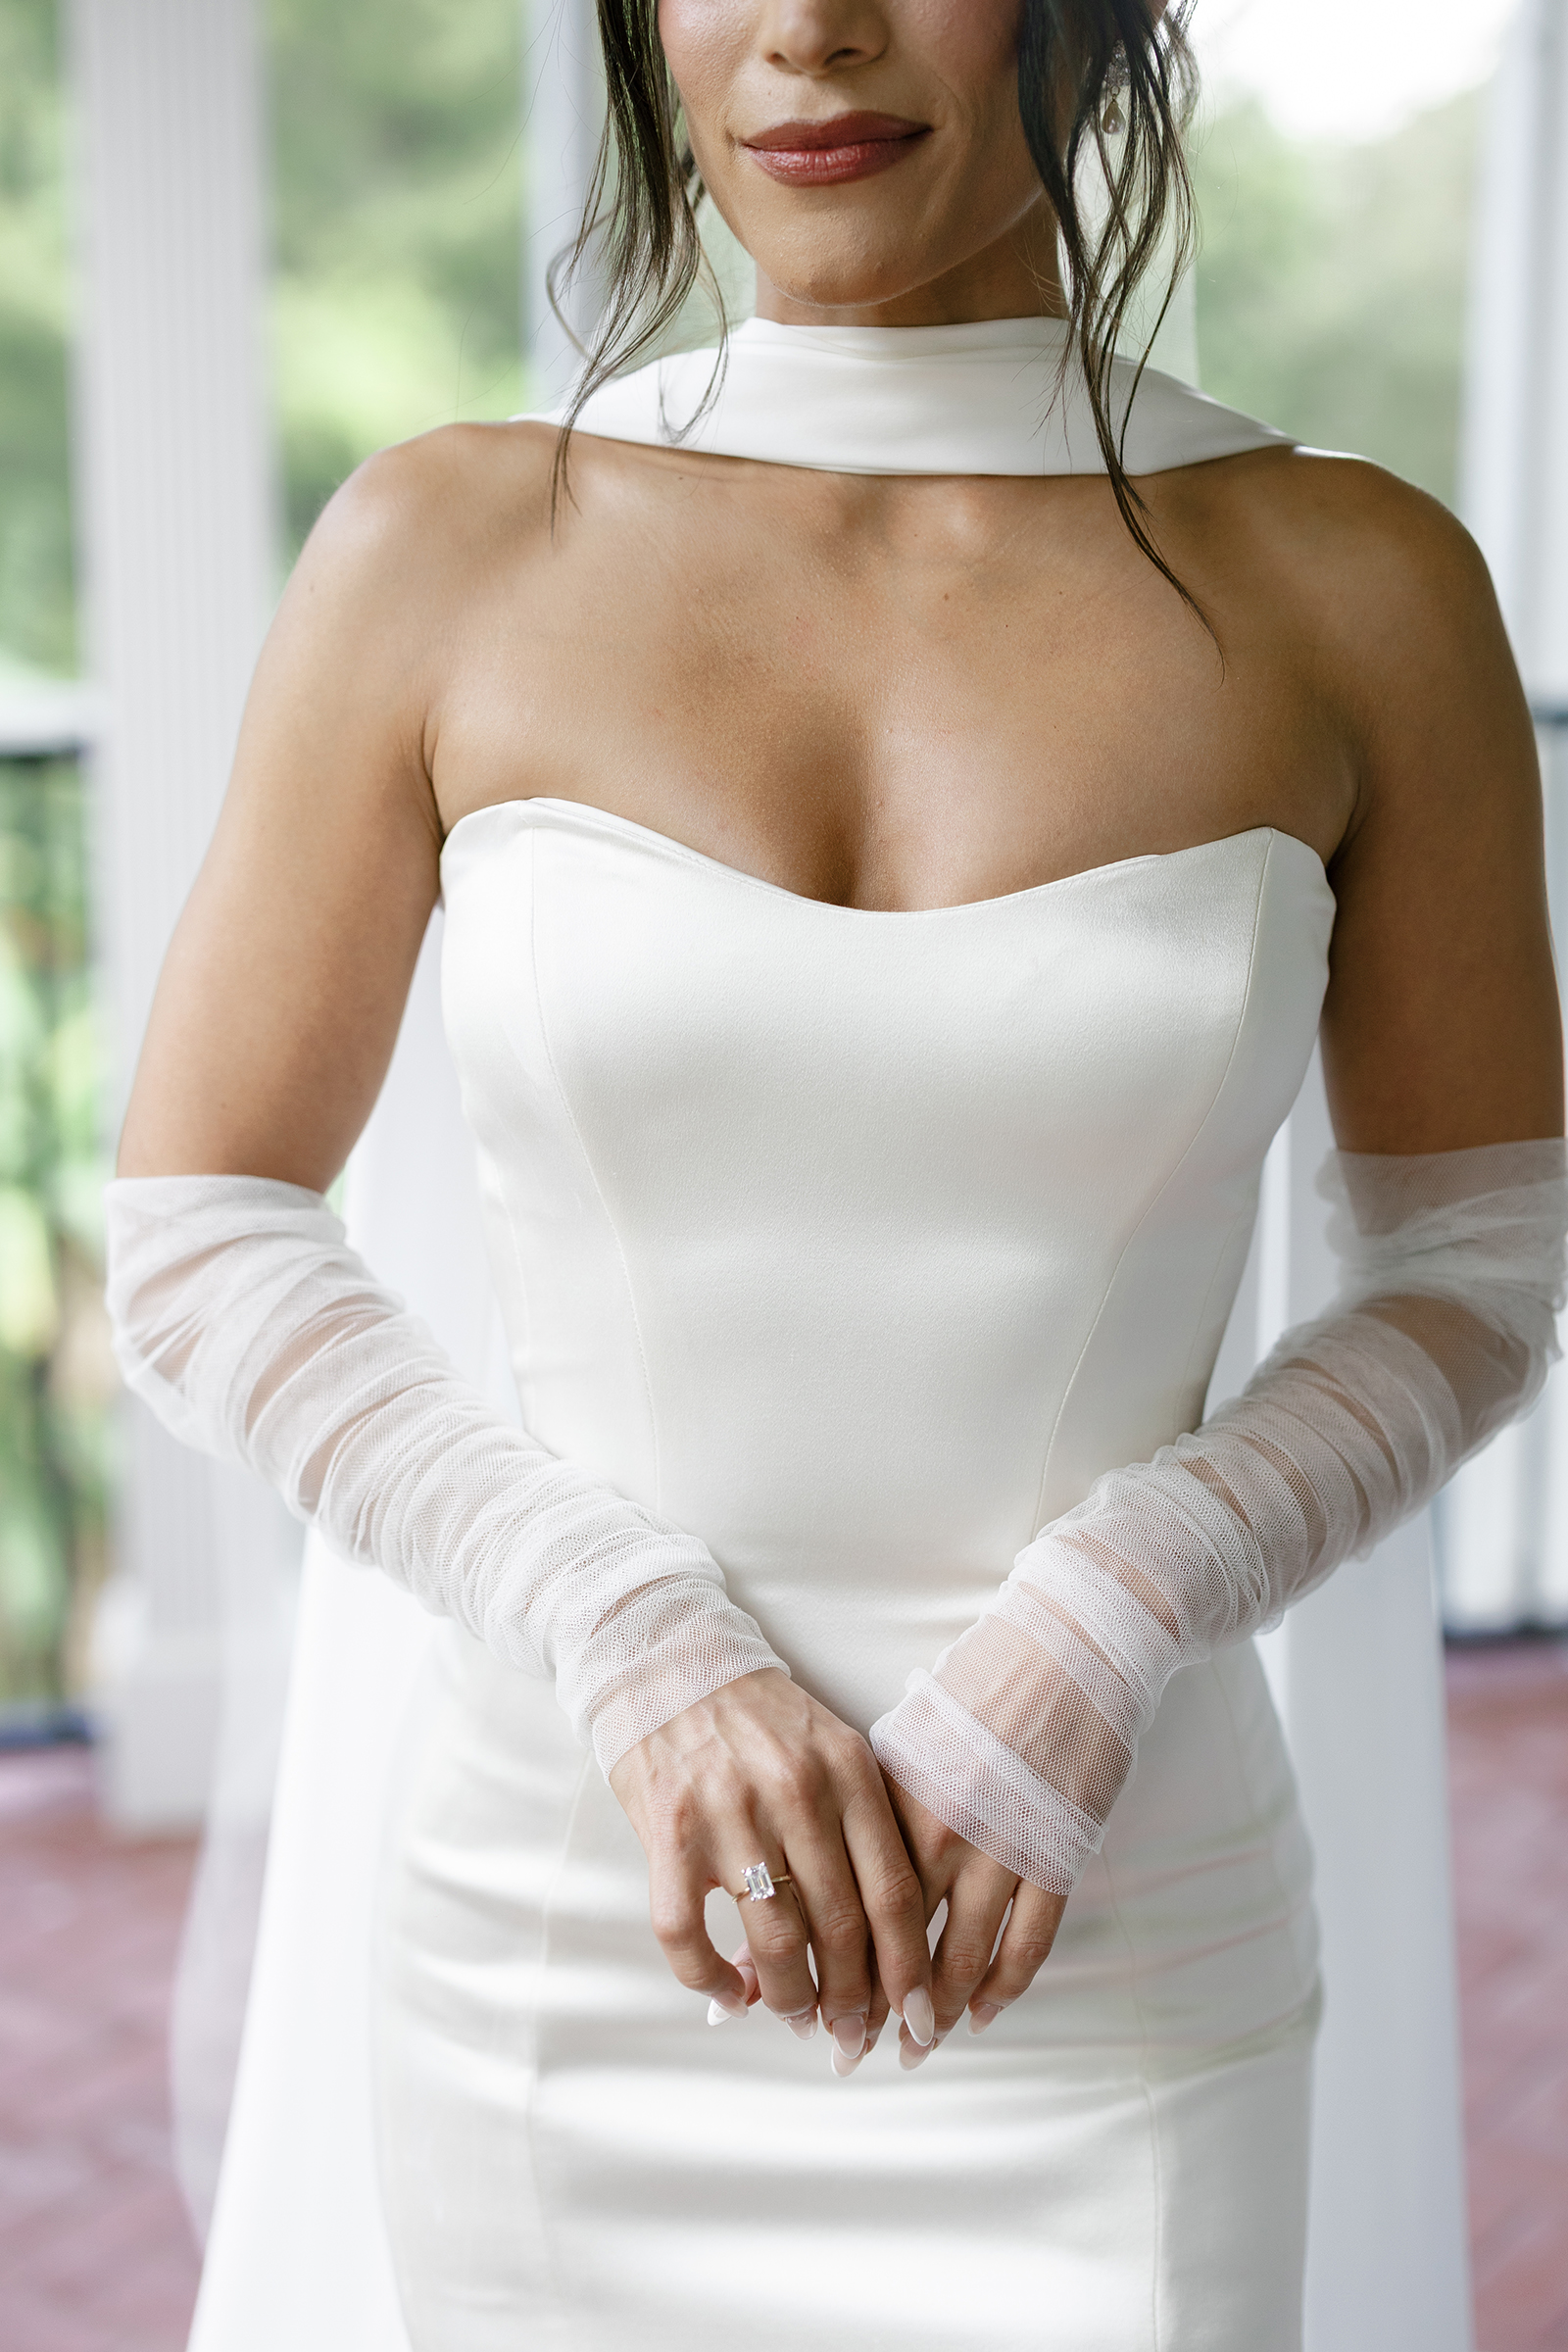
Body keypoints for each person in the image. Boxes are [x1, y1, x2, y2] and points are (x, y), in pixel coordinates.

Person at [104, 2, 1565, 2346]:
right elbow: (196, 1226)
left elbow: (1476, 1257)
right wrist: (623, 1630)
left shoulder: (1354, 583)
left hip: (1112, 1962)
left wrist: (1122, 1601)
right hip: (567, 1943)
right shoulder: (446, 543)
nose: (809, 27)